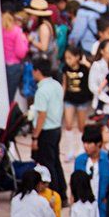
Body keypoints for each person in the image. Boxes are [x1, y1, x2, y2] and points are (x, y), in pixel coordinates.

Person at [29, 59, 67, 203]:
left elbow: (42, 116)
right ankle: (62, 193)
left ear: (38, 71)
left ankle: (55, 195)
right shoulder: (56, 85)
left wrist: (35, 137)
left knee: (48, 165)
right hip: (56, 128)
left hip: (46, 131)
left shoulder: (42, 90)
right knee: (55, 162)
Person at [74, 126, 109, 217]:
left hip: (103, 210)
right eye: (84, 143)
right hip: (84, 209)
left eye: (89, 143)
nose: (85, 146)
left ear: (98, 144)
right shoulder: (79, 160)